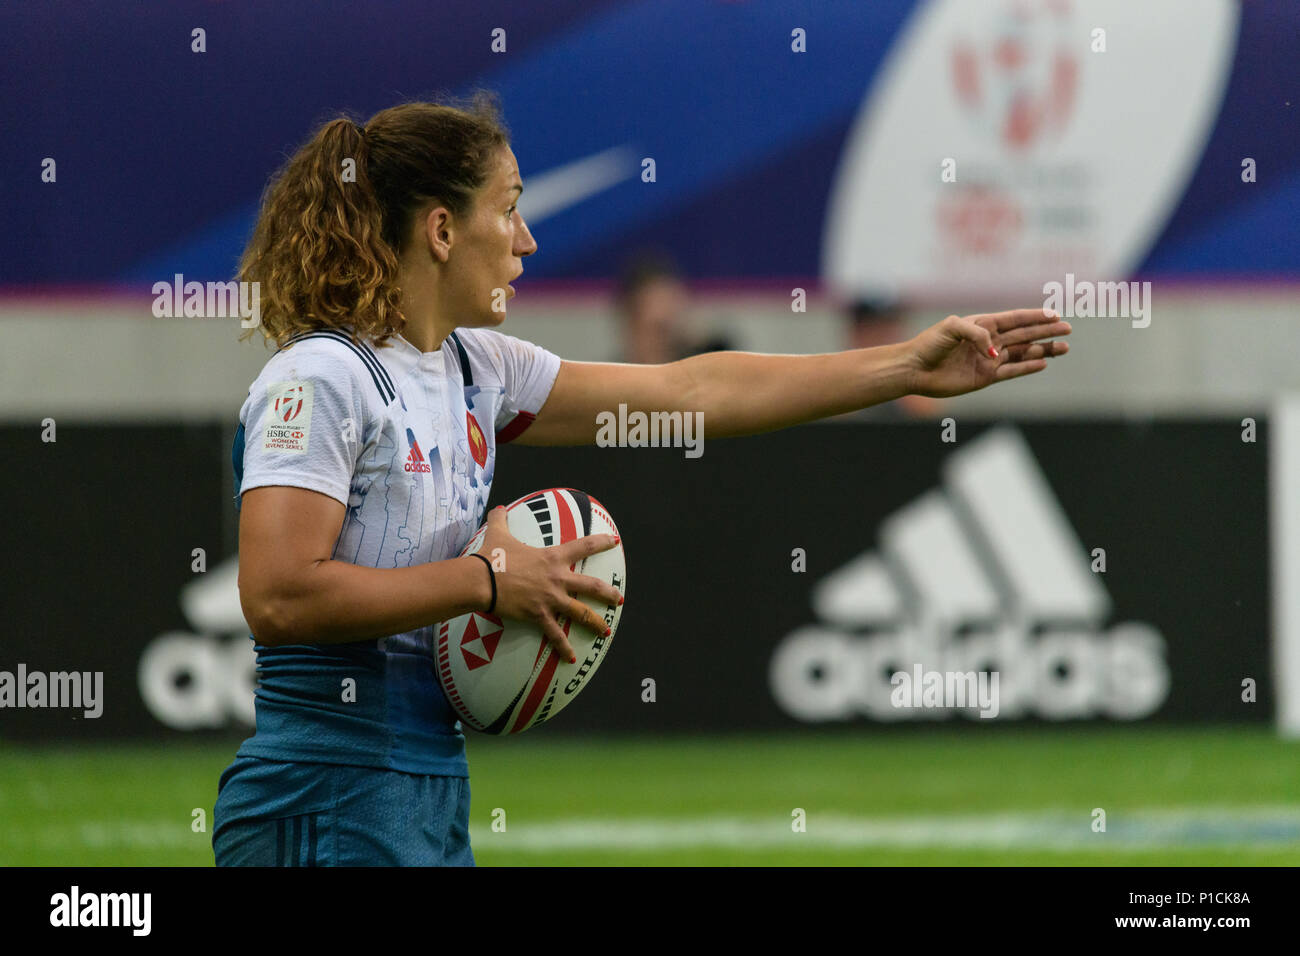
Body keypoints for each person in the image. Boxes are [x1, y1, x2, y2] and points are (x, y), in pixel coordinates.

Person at [212, 93, 1071, 867]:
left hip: (428, 782)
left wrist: (905, 368)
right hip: (325, 789)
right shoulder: (323, 377)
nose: (527, 240)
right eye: (509, 212)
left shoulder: (476, 368)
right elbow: (281, 598)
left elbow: (692, 391)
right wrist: (486, 580)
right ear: (441, 231)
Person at [614, 250, 732, 363]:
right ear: (631, 323)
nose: (666, 341)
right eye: (659, 329)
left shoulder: (706, 363)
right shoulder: (612, 378)